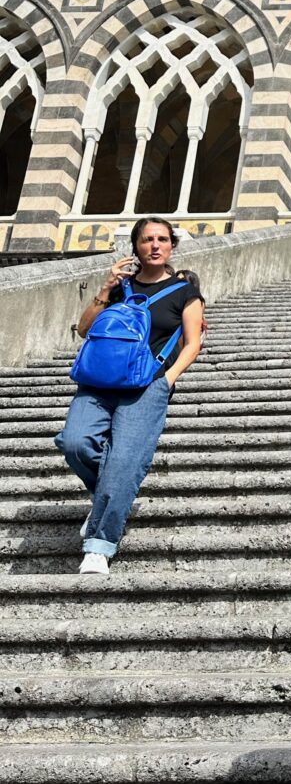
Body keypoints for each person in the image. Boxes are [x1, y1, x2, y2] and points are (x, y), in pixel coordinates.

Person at [55, 217, 205, 576]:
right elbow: (84, 329)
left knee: (124, 463)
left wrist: (167, 379)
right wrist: (106, 289)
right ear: (135, 246)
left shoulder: (186, 291)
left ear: (172, 245)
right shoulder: (120, 289)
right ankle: (107, 497)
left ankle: (99, 546)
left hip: (147, 386)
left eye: (162, 239)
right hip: (98, 382)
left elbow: (194, 342)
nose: (155, 245)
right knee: (75, 443)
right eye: (148, 239)